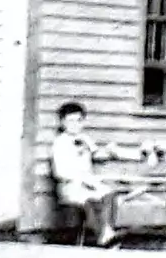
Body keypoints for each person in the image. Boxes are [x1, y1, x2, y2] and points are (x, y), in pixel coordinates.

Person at [48, 100, 120, 247]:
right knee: (90, 199)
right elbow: (60, 172)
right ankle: (103, 236)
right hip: (70, 185)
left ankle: (107, 231)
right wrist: (81, 179)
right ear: (63, 122)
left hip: (88, 183)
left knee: (109, 193)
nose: (75, 124)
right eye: (71, 121)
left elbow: (96, 155)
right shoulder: (60, 143)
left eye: (79, 121)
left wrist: (108, 152)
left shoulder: (84, 139)